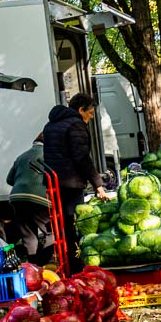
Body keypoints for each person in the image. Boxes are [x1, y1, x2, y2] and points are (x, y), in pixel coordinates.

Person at [43, 93, 109, 273]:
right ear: (81, 110)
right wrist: (98, 184)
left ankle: (67, 266)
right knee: (75, 226)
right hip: (71, 183)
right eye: (90, 113)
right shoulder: (76, 125)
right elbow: (82, 158)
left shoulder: (50, 125)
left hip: (54, 184)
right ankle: (77, 267)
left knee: (63, 228)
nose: (91, 117)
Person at [6, 133, 52, 266]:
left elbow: (9, 179)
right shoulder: (49, 155)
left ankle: (32, 265)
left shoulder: (21, 157)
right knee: (51, 233)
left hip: (17, 199)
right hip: (40, 199)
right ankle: (43, 263)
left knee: (28, 235)